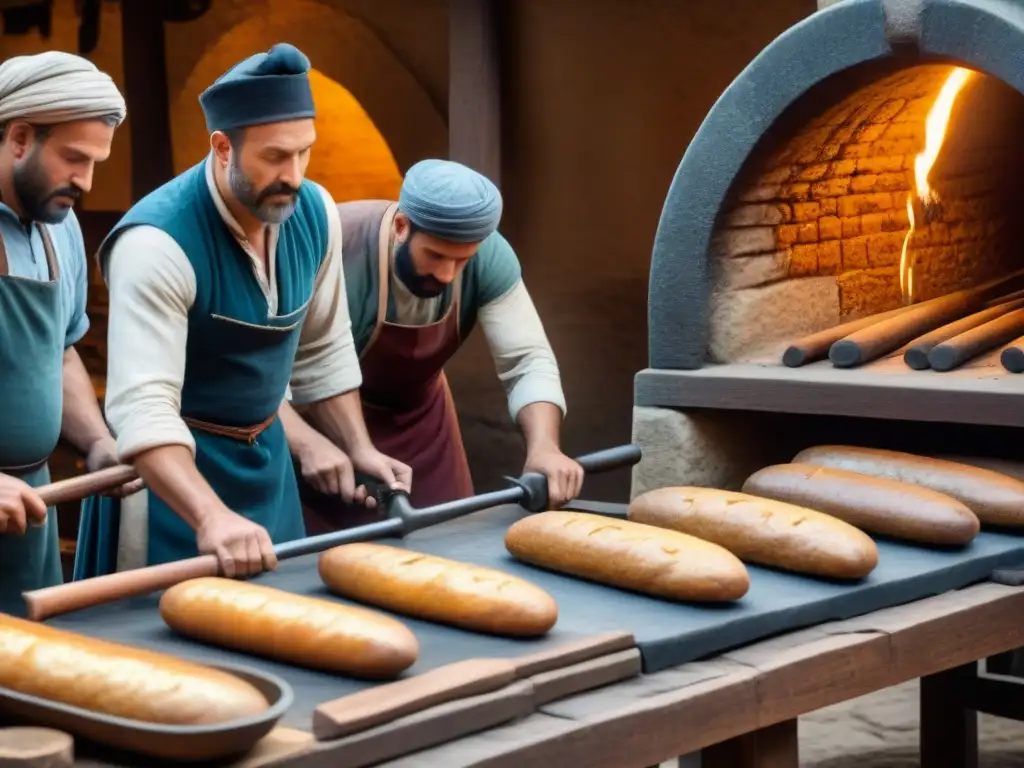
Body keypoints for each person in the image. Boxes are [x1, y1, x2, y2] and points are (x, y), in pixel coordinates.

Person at [73, 43, 409, 581]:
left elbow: (323, 348)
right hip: (170, 481)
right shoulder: (155, 243)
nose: (294, 175)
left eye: (304, 152)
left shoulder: (316, 212)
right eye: (275, 156)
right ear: (223, 147)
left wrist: (358, 446)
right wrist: (210, 517)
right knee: (164, 654)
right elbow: (144, 408)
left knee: (285, 625)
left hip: (267, 468)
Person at [284, 158, 582, 535]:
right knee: (320, 568)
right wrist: (306, 443)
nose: (445, 274)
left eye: (462, 261)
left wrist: (544, 448)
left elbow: (527, 360)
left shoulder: (489, 256)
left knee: (450, 551)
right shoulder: (333, 246)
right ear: (401, 226)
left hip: (421, 425)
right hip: (318, 430)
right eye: (436, 256)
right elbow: (260, 372)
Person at [0, 51, 139, 617]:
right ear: (19, 137)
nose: (85, 181)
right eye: (73, 159)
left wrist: (98, 440)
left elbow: (59, 352)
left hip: (31, 514)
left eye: (95, 163)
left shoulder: (62, 229)